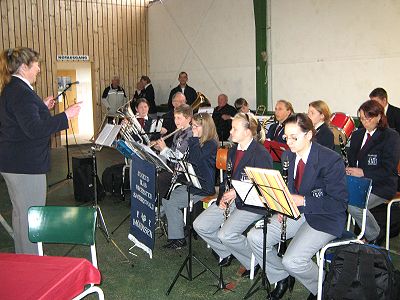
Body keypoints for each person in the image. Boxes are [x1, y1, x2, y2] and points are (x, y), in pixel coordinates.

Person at [248, 113, 348, 300]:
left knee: (293, 260)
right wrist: (282, 207)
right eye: (286, 137)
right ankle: (281, 276)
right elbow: (290, 189)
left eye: (294, 137)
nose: (289, 142)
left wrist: (303, 201)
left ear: (309, 135)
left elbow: (339, 202)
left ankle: (322, 286)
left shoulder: (330, 159)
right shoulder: (288, 155)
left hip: (325, 216)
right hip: (296, 212)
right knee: (255, 237)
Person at [0, 47, 81, 254]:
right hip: (25, 165)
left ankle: (24, 258)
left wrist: (43, 107)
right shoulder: (21, 91)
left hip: (15, 163)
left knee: (21, 216)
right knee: (31, 217)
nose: (38, 69)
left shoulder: (14, 88)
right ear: (25, 66)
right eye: (36, 64)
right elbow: (34, 130)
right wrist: (66, 116)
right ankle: (31, 263)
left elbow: (23, 122)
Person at [194, 113, 273, 277]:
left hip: (252, 204)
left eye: (235, 129)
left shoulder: (260, 154)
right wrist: (222, 197)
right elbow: (226, 180)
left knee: (226, 234)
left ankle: (253, 259)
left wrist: (236, 193)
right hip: (233, 200)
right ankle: (226, 252)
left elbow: (263, 187)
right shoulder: (233, 151)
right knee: (200, 225)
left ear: (248, 132)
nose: (230, 132)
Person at [346, 100, 400, 243]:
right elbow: (353, 161)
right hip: (359, 183)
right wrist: (349, 170)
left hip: (381, 185)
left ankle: (374, 235)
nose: (364, 122)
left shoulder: (390, 136)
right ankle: (344, 236)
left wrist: (363, 172)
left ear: (378, 117)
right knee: (337, 196)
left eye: (368, 118)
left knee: (353, 205)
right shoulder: (358, 134)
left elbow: (388, 169)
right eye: (362, 118)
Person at [162, 113, 218, 249]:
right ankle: (179, 231)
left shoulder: (210, 144)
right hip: (193, 183)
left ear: (205, 128)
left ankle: (179, 238)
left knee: (170, 202)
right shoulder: (197, 142)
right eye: (192, 125)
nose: (192, 128)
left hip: (203, 186)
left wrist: (192, 140)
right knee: (167, 198)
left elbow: (195, 159)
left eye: (195, 126)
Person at [154, 104, 193, 210]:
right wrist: (160, 149)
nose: (176, 121)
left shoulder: (190, 134)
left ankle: (162, 207)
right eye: (175, 118)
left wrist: (164, 149)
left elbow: (179, 158)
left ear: (188, 119)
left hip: (184, 171)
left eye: (179, 118)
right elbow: (173, 151)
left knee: (161, 178)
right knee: (155, 172)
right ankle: (160, 203)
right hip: (174, 167)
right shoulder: (178, 132)